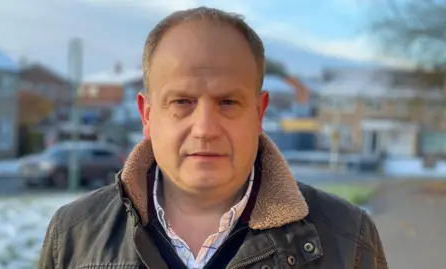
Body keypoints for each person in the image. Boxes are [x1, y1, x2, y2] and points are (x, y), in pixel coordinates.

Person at [38, 6, 388, 269]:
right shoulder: (72, 236)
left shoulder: (348, 237)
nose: (205, 127)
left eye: (228, 102)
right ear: (147, 115)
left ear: (258, 113)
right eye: (182, 102)